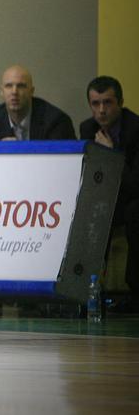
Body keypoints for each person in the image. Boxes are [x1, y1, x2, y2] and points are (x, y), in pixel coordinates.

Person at [79, 76, 139, 299]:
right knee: (87, 208)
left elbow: (135, 184)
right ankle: (86, 285)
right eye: (95, 104)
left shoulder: (136, 129)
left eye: (108, 102)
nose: (101, 110)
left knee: (135, 211)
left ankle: (134, 287)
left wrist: (111, 155)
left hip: (131, 198)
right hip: (104, 197)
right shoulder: (87, 128)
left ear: (120, 103)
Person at [0, 65, 75, 140]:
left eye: (21, 86)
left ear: (31, 91)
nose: (14, 92)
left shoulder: (56, 121)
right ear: (1, 91)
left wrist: (18, 149)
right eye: (9, 86)